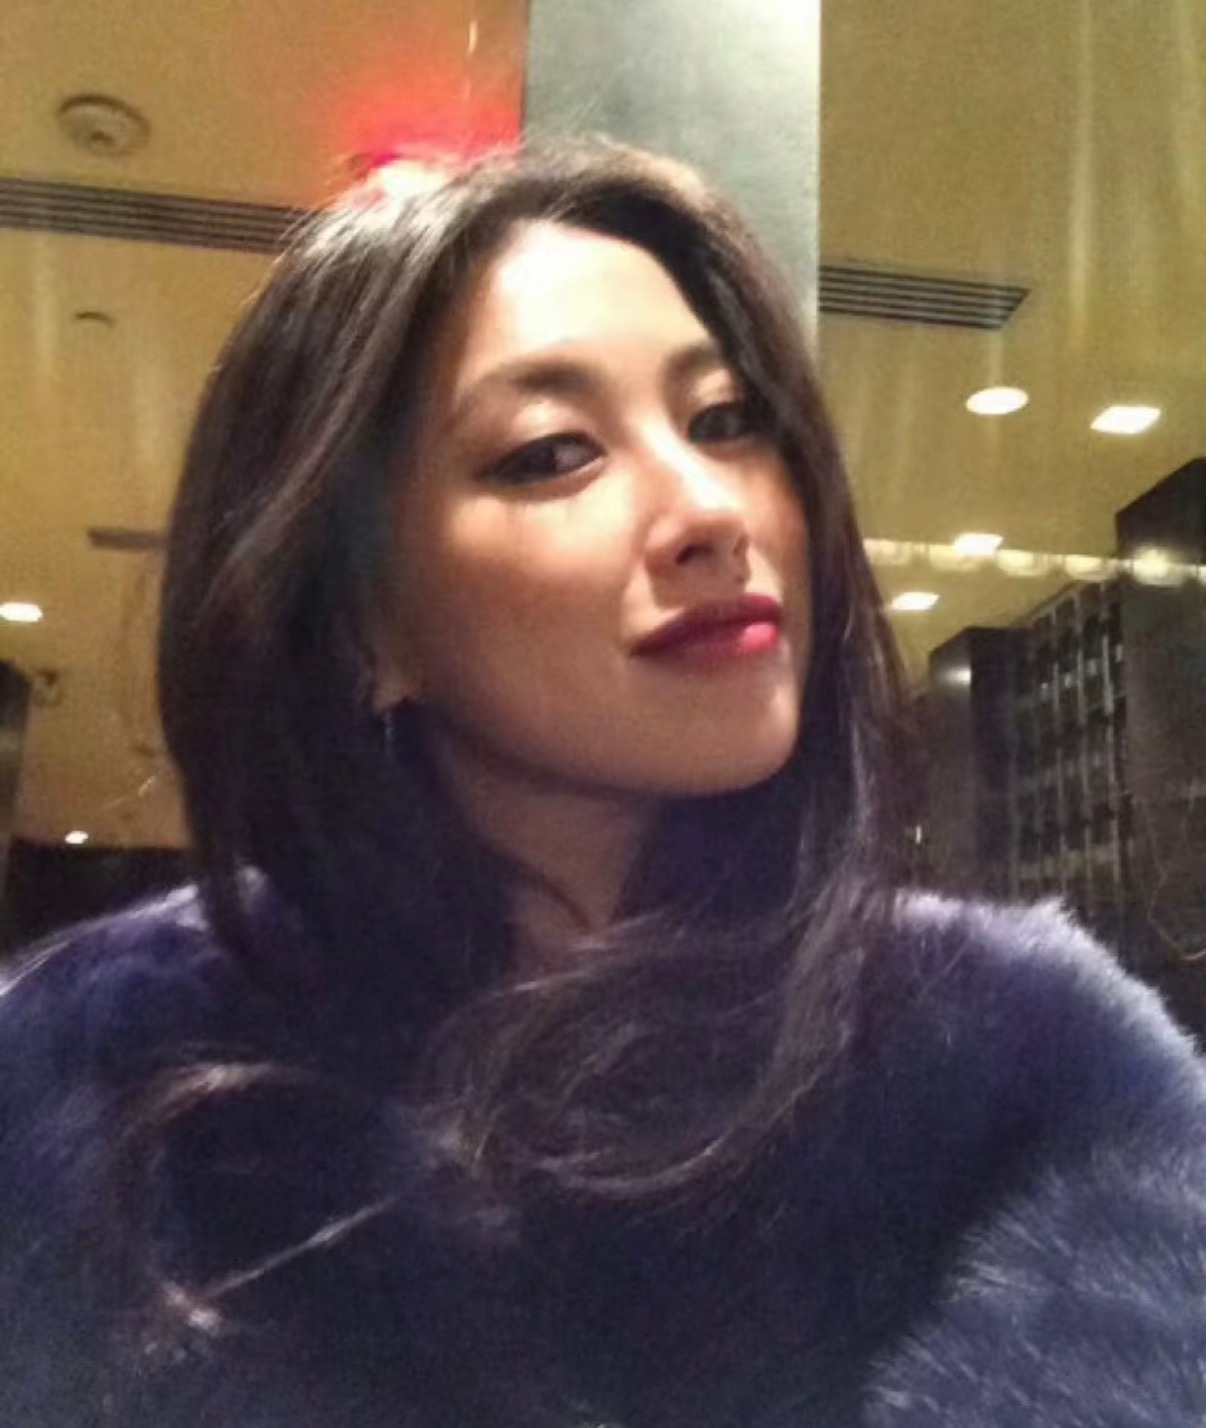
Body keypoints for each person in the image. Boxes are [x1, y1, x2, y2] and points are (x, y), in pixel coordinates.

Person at [0, 140, 1202, 1428]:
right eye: (551, 452)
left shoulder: (1033, 1071)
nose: (709, 509)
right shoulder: (93, 1076)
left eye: (726, 421)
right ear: (362, 624)